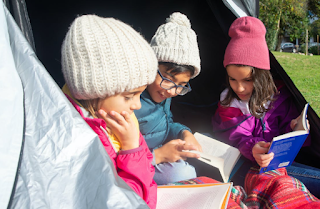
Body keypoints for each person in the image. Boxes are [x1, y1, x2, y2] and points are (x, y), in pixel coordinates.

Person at [212, 16, 320, 197]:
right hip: (248, 167)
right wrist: (253, 148)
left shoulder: (279, 96)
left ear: (262, 75)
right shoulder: (229, 104)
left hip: (280, 164)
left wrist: (293, 128)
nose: (239, 88)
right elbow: (235, 138)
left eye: (247, 80)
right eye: (233, 79)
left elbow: (285, 139)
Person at [60, 15, 158, 208]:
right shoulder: (80, 139)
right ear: (93, 91)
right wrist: (130, 148)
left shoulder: (119, 119)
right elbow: (121, 201)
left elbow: (147, 166)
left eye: (140, 94)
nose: (137, 105)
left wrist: (134, 145)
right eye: (129, 96)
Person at [134, 12, 202, 185]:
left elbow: (166, 123)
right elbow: (118, 158)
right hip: (140, 165)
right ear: (151, 65)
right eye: (169, 79)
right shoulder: (130, 100)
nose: (173, 91)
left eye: (181, 85)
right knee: (182, 173)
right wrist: (159, 155)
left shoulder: (164, 92)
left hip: (159, 154)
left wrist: (184, 132)